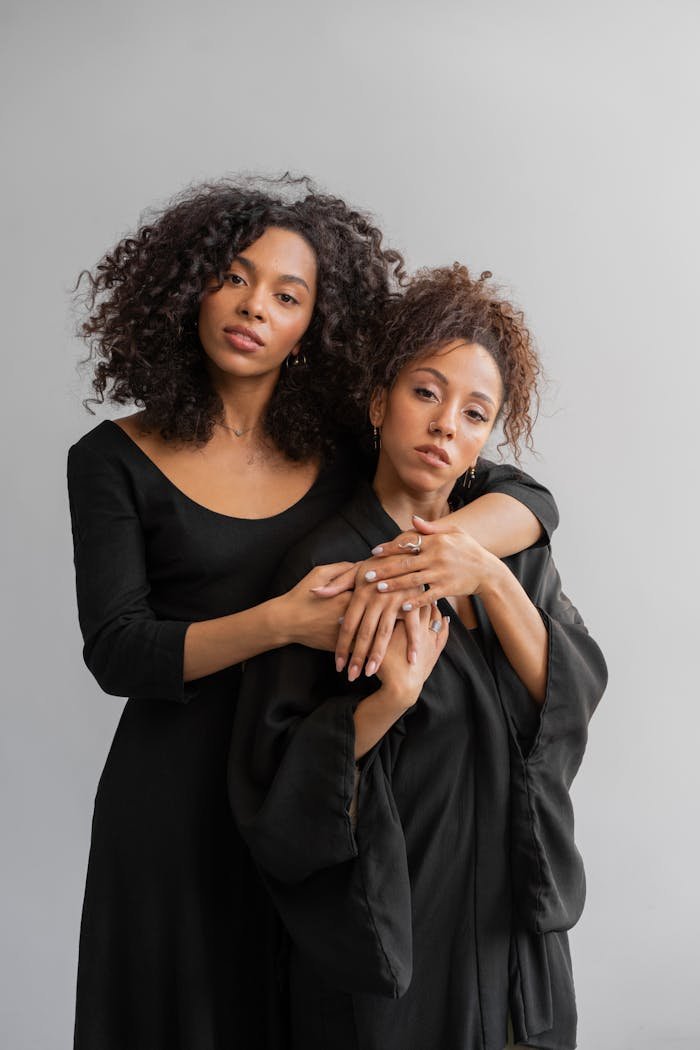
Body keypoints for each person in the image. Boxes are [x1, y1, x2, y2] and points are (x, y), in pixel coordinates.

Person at [68, 179, 560, 1050]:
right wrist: (284, 622)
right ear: (186, 289)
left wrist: (454, 556)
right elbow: (118, 651)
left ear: (313, 326)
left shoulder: (343, 440)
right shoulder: (113, 458)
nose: (255, 306)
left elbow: (518, 491)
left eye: (288, 296)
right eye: (234, 276)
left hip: (324, 802)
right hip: (178, 805)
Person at [230, 264, 607, 1050]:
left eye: (476, 413)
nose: (446, 426)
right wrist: (385, 703)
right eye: (426, 393)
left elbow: (565, 702)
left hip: (513, 931)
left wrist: (487, 578)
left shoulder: (509, 546)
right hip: (394, 939)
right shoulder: (327, 569)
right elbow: (272, 786)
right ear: (379, 400)